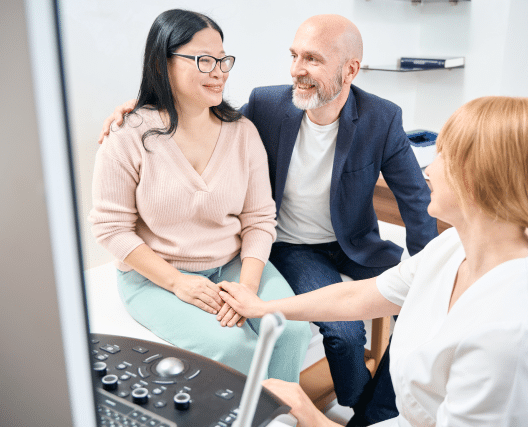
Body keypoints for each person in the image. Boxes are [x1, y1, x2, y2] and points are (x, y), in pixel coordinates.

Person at [98, 14, 437, 423]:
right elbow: (184, 124)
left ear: (350, 70)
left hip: (349, 244)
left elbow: (415, 199)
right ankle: (323, 407)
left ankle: (369, 412)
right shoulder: (266, 106)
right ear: (164, 63)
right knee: (335, 333)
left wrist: (427, 268)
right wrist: (143, 106)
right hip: (288, 248)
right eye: (295, 56)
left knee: (422, 304)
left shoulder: (378, 117)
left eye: (312, 59)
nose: (297, 69)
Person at [219, 96, 528, 427]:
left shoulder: (514, 338)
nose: (428, 169)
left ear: (477, 179)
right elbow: (363, 296)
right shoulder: (452, 248)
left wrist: (313, 417)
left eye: (442, 154)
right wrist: (265, 307)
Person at [88, 9, 312, 383]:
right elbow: (111, 229)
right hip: (155, 276)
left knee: (290, 330)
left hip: (232, 264)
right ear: (163, 64)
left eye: (223, 60)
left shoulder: (242, 133)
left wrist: (248, 287)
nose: (220, 71)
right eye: (204, 60)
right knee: (233, 347)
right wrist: (178, 283)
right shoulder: (128, 135)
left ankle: (282, 419)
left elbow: (259, 219)